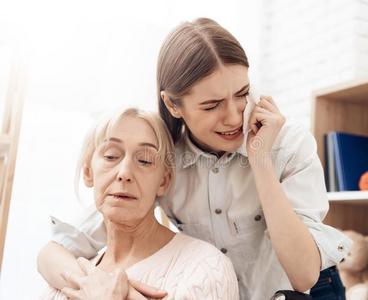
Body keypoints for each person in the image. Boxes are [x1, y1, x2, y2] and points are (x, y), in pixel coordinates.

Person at [38, 18, 351, 299]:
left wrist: (260, 161)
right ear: (173, 105)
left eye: (241, 94)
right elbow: (54, 252)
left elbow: (304, 274)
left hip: (309, 293)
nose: (233, 117)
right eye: (212, 105)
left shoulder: (287, 144)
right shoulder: (163, 160)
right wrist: (99, 288)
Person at [39, 108, 238, 299]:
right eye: (111, 156)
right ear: (88, 173)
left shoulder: (205, 269)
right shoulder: (65, 278)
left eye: (144, 160)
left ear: (163, 181)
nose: (124, 173)